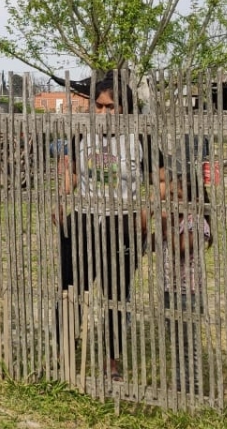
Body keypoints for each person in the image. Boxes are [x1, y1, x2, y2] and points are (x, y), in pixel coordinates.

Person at [55, 73, 153, 383]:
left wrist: (146, 211)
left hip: (120, 224)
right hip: (83, 219)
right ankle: (66, 350)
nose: (103, 114)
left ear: (124, 108)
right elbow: (70, 177)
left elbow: (160, 178)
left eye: (110, 107)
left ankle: (112, 359)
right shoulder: (82, 136)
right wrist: (60, 193)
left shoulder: (139, 139)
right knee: (70, 291)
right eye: (98, 107)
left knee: (115, 294)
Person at [156, 165, 213, 395]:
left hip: (188, 293)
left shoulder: (197, 223)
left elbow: (179, 247)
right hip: (170, 289)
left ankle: (195, 389)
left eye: (176, 197)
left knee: (190, 346)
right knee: (178, 344)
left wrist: (165, 223)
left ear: (194, 200)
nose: (170, 201)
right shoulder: (175, 220)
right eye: (168, 196)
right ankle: (180, 388)